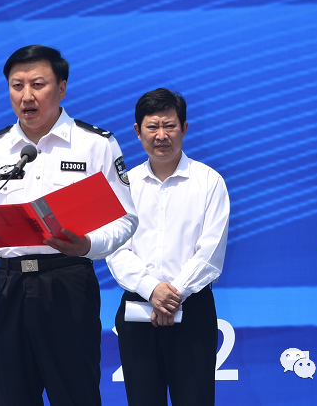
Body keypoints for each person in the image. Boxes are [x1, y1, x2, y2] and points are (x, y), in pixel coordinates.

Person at [0, 45, 138, 406]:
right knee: (10, 396)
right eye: (17, 86)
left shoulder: (95, 144)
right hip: (6, 285)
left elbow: (125, 218)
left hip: (67, 283)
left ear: (61, 88)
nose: (26, 96)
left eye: (38, 84)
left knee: (75, 395)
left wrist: (88, 245)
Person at [106, 88, 230, 406]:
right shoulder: (124, 185)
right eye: (152, 126)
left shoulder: (209, 182)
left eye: (170, 126)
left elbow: (210, 252)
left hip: (193, 310)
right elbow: (116, 250)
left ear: (184, 128)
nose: (161, 135)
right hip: (138, 309)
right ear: (138, 131)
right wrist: (151, 290)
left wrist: (173, 295)